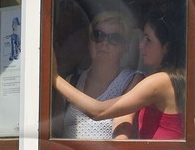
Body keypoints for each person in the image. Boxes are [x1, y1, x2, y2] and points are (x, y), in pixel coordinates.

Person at [54, 0, 185, 140]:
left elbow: (100, 112)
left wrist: (53, 77)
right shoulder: (167, 79)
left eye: (148, 39)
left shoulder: (159, 81)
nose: (141, 45)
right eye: (98, 36)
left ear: (166, 47)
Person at [59, 11, 139, 140]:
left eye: (114, 38)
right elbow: (53, 132)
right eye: (98, 36)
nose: (104, 43)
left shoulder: (133, 80)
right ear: (89, 42)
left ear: (126, 47)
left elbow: (124, 125)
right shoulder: (71, 82)